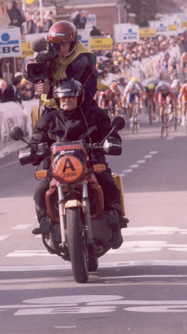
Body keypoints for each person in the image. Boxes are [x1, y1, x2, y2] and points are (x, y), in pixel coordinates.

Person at [28, 78, 126, 247]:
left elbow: (109, 132)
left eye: (71, 96)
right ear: (57, 99)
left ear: (79, 97)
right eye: (63, 97)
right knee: (40, 193)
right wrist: (32, 151)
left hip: (91, 166)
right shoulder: (47, 120)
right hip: (56, 171)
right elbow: (36, 141)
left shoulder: (94, 115)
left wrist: (111, 141)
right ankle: (47, 225)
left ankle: (115, 224)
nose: (67, 100)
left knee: (109, 185)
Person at [34, 21, 99, 110]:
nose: (60, 49)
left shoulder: (81, 61)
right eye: (56, 45)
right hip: (51, 108)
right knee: (40, 124)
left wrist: (50, 90)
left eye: (64, 45)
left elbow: (81, 92)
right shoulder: (51, 54)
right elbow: (33, 75)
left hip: (77, 110)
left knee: (103, 120)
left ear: (72, 44)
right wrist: (39, 62)